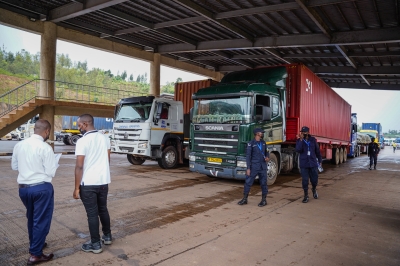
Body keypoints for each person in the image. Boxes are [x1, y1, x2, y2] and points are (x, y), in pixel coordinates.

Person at [11, 119, 58, 265]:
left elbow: (14, 166)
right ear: (47, 131)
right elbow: (51, 171)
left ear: (34, 129)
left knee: (32, 218)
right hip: (41, 188)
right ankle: (36, 255)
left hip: (24, 189)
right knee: (41, 220)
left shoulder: (19, 145)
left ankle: (36, 244)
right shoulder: (45, 148)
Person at [73, 114, 112, 254]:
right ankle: (107, 236)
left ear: (85, 124)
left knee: (92, 214)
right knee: (103, 209)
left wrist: (76, 188)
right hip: (103, 181)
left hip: (88, 183)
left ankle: (95, 244)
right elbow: (107, 160)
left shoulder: (82, 141)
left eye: (79, 125)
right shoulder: (105, 138)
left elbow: (79, 166)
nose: (78, 128)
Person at [238, 128, 270, 207]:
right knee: (248, 182)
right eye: (261, 132)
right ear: (256, 134)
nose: (262, 134)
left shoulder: (263, 143)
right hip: (254, 166)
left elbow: (267, 152)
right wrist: (248, 168)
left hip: (262, 166)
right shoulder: (251, 143)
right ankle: (245, 199)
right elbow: (248, 157)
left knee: (263, 183)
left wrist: (267, 157)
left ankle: (264, 200)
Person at [295, 126, 322, 203]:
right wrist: (300, 140)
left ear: (308, 132)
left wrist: (320, 160)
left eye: (305, 132)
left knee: (314, 180)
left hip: (313, 163)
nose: (303, 133)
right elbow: (298, 150)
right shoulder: (299, 141)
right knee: (305, 181)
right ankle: (306, 195)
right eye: (302, 132)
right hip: (304, 164)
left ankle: (314, 189)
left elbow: (317, 151)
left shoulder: (313, 140)